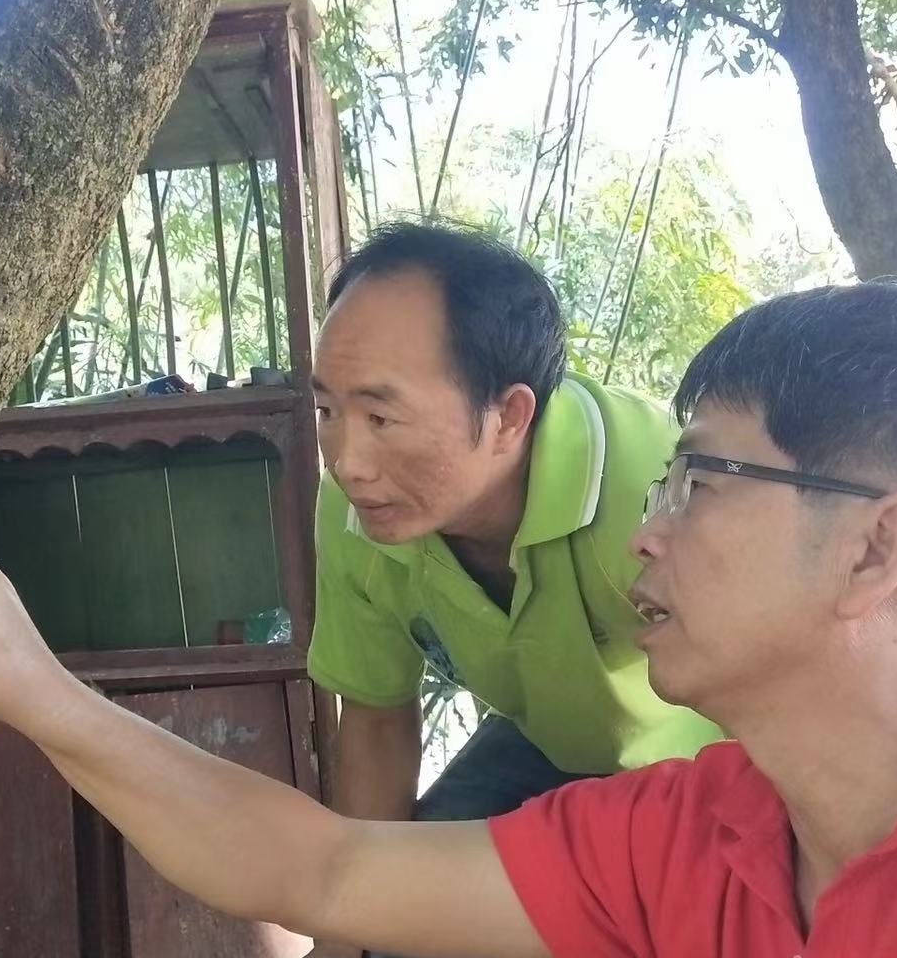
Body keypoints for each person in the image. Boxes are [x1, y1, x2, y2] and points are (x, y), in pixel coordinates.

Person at [0, 279, 897, 957]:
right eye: (326, 409)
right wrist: (31, 683)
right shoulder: (678, 840)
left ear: (874, 546)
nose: (649, 531)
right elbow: (326, 862)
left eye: (700, 481)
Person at [307, 223, 720, 862]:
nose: (347, 463)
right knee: (412, 895)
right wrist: (353, 910)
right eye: (327, 412)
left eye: (381, 417)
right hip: (547, 742)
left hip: (703, 759)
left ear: (510, 416)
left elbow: (780, 696)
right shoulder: (355, 510)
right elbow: (376, 718)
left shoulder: (652, 488)